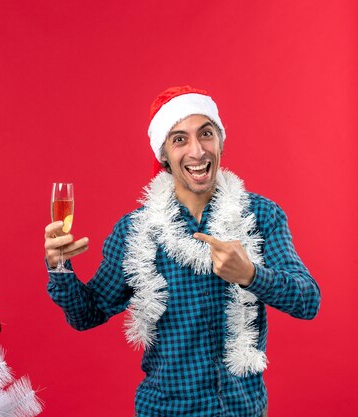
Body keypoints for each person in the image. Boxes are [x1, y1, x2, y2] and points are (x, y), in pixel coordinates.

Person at [44, 86, 321, 417]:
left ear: (220, 141)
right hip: (165, 410)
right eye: (180, 139)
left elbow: (308, 301)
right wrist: (59, 267)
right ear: (163, 154)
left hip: (242, 410)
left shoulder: (261, 216)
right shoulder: (137, 230)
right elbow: (86, 314)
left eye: (206, 134)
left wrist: (249, 275)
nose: (197, 151)